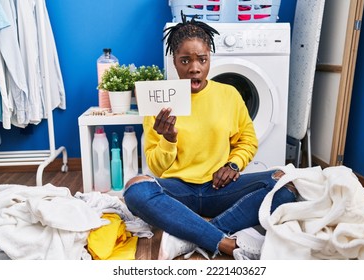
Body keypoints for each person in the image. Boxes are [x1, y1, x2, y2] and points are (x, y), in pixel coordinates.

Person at [124, 13, 297, 260]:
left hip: (219, 188)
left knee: (285, 185)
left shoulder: (229, 95)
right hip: (178, 190)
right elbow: (157, 168)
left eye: (201, 60)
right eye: (185, 61)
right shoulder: (159, 99)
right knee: (135, 190)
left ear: (209, 59)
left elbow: (247, 140)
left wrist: (233, 164)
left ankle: (189, 236)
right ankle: (223, 242)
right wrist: (168, 139)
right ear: (174, 61)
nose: (194, 68)